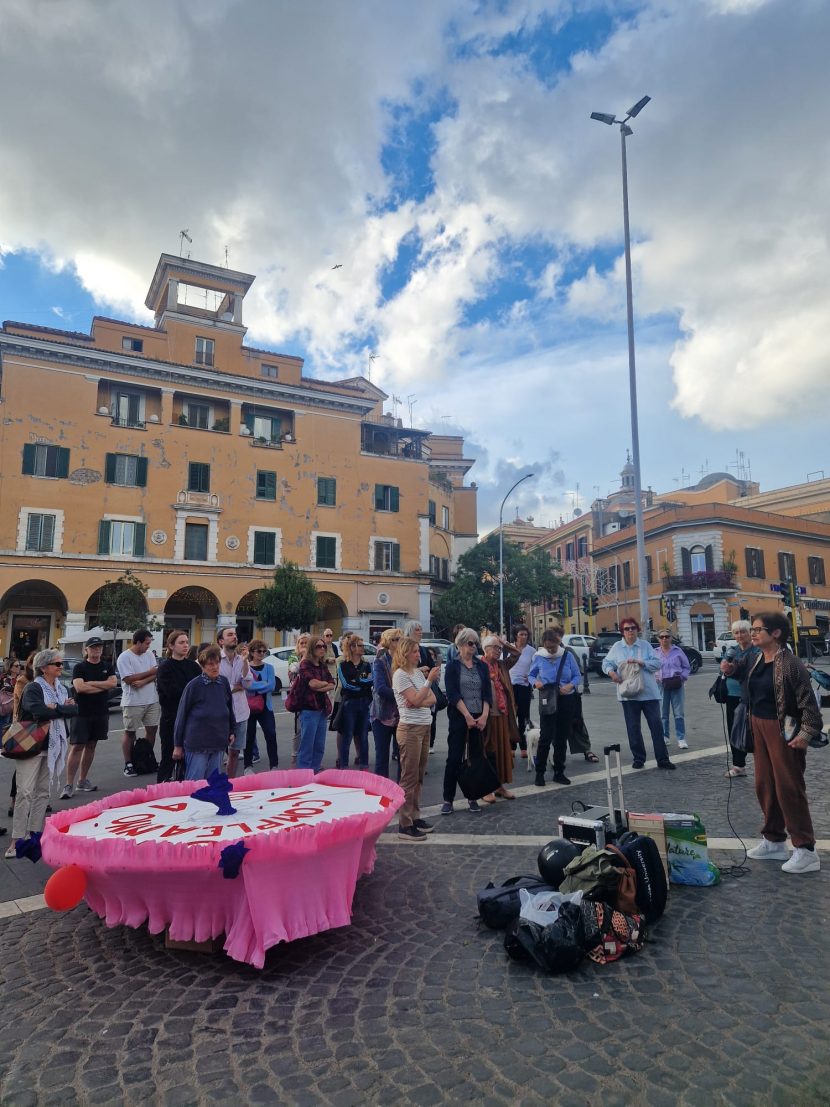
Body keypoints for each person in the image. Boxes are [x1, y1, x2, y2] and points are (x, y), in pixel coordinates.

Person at [721, 612, 822, 874]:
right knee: (764, 784)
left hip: (785, 726)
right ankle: (774, 839)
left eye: (757, 629)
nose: (752, 633)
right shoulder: (755, 657)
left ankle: (805, 849)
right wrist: (731, 668)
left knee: (789, 786)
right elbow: (740, 672)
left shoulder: (791, 664)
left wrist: (804, 735)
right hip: (758, 724)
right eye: (752, 629)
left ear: (776, 633)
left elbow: (809, 706)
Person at [6, 648, 77, 858]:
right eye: (57, 664)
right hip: (31, 745)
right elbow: (38, 711)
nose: (61, 667)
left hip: (52, 746)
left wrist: (57, 708)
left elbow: (75, 709)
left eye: (61, 664)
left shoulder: (63, 689)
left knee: (43, 793)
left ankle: (35, 835)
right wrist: (61, 709)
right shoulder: (33, 687)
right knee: (25, 792)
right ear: (44, 667)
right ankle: (17, 840)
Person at [602, 619, 675, 770]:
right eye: (627, 629)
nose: (630, 631)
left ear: (637, 630)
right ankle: (639, 758)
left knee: (656, 726)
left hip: (649, 693)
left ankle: (662, 759)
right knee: (633, 727)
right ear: (622, 631)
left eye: (633, 628)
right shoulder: (617, 647)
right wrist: (611, 673)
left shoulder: (645, 646)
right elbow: (606, 663)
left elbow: (657, 663)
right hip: (628, 695)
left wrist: (642, 663)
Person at [392, 636, 439, 840]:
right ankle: (404, 823)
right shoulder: (400, 675)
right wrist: (427, 684)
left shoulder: (417, 674)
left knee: (419, 775)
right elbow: (418, 698)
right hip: (410, 728)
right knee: (409, 777)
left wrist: (420, 697)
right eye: (414, 651)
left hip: (424, 725)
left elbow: (432, 698)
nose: (418, 655)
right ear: (405, 654)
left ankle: (415, 815)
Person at [442, 627, 491, 816]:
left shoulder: (481, 666)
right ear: (460, 644)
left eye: (475, 644)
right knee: (454, 757)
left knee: (476, 758)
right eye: (470, 643)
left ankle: (472, 796)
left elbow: (487, 692)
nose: (473, 647)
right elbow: (453, 693)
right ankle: (448, 798)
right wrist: (467, 716)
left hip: (479, 715)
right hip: (460, 716)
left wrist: (484, 715)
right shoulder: (453, 666)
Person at [61, 636, 117, 798]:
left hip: (100, 712)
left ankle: (82, 780)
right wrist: (101, 686)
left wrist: (90, 684)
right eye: (93, 647)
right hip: (82, 712)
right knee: (77, 746)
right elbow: (79, 688)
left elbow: (113, 684)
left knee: (91, 745)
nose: (97, 649)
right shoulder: (80, 667)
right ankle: (68, 784)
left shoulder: (108, 666)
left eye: (99, 646)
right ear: (86, 650)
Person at [528, 626, 583, 786]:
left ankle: (559, 771)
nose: (551, 650)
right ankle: (540, 773)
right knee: (545, 737)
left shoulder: (567, 656)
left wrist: (570, 686)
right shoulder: (538, 657)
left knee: (561, 737)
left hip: (566, 699)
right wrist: (535, 683)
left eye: (553, 647)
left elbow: (577, 675)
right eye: (548, 647)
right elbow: (531, 675)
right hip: (548, 697)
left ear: (558, 643)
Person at [172, 645, 236, 781]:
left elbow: (229, 709)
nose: (215, 667)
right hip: (197, 744)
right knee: (195, 784)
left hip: (218, 741)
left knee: (213, 783)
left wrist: (232, 730)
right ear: (202, 666)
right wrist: (178, 745)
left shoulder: (223, 682)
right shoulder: (194, 686)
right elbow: (181, 715)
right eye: (210, 664)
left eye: (217, 663)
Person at [156, 630, 201, 783]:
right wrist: (189, 692)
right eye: (181, 642)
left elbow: (200, 688)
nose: (185, 645)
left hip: (192, 720)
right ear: (171, 645)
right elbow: (170, 692)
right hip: (171, 719)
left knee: (189, 760)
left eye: (187, 642)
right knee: (169, 757)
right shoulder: (165, 667)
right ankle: (161, 789)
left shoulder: (194, 667)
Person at [479, 636, 518, 802]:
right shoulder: (479, 665)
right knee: (488, 751)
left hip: (502, 714)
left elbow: (516, 654)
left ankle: (499, 786)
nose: (498, 651)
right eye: (494, 647)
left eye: (499, 649)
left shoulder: (502, 665)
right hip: (485, 716)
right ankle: (486, 788)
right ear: (485, 649)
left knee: (502, 752)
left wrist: (503, 643)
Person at [116, 628, 160, 777]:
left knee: (152, 729)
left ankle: (146, 757)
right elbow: (128, 679)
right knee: (130, 732)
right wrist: (149, 673)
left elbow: (156, 673)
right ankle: (128, 763)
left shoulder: (149, 655)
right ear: (139, 642)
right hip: (133, 701)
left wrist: (143, 681)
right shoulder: (124, 657)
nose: (148, 646)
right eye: (147, 643)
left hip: (151, 699)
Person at [294, 637, 335, 772]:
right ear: (312, 648)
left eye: (323, 646)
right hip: (309, 709)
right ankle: (303, 774)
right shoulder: (305, 664)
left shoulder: (323, 666)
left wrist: (320, 686)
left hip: (322, 709)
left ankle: (315, 770)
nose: (322, 648)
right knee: (307, 745)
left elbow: (332, 684)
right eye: (319, 646)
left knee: (319, 745)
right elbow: (312, 684)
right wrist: (323, 684)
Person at [217, 626, 253, 778]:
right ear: (221, 641)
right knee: (217, 751)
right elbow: (216, 686)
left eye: (235, 634)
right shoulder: (215, 659)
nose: (234, 637)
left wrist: (245, 662)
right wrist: (234, 687)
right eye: (230, 634)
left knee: (235, 751)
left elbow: (247, 684)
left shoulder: (241, 660)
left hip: (240, 712)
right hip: (220, 713)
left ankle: (230, 783)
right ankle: (214, 781)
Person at [723, 619, 757, 777]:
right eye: (736, 632)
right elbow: (723, 670)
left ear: (750, 633)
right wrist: (724, 668)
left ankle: (762, 762)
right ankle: (739, 765)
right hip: (732, 695)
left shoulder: (757, 650)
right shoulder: (732, 651)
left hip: (753, 696)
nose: (740, 635)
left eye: (743, 631)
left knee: (755, 730)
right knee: (734, 729)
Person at [337, 636, 373, 771]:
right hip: (350, 703)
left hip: (364, 703)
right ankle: (344, 766)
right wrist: (362, 683)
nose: (363, 648)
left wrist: (357, 681)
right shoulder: (343, 665)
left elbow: (372, 681)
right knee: (347, 735)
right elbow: (346, 684)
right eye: (360, 645)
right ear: (352, 647)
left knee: (363, 735)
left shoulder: (367, 664)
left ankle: (364, 766)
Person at [243, 640, 278, 773]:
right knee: (249, 737)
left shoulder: (269, 667)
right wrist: (262, 685)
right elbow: (247, 685)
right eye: (259, 651)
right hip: (250, 707)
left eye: (264, 651)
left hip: (266, 707)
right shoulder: (246, 666)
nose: (262, 653)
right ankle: (248, 766)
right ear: (252, 652)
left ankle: (274, 766)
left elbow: (272, 686)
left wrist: (255, 688)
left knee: (271, 734)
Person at [370, 627, 401, 778]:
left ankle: (402, 793)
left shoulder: (405, 661)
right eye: (396, 639)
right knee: (382, 758)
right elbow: (380, 688)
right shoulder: (380, 662)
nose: (399, 642)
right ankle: (382, 793)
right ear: (389, 642)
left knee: (403, 757)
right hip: (382, 715)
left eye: (401, 639)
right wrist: (403, 695)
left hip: (401, 716)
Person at [656, 630, 691, 750]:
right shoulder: (655, 652)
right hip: (661, 685)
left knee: (679, 713)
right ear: (658, 639)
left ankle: (681, 738)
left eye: (667, 636)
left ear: (671, 638)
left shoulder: (678, 651)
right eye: (662, 637)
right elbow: (651, 667)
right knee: (663, 713)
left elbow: (686, 666)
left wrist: (682, 677)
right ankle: (665, 737)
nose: (664, 639)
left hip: (676, 684)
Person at [509, 626, 535, 757]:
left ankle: (524, 747)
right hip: (510, 687)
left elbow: (536, 668)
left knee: (524, 717)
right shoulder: (509, 648)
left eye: (526, 634)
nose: (524, 637)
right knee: (511, 717)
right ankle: (511, 746)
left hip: (524, 687)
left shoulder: (532, 651)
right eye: (521, 634)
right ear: (516, 635)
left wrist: (530, 677)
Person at [287, 632, 310, 765]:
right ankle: (295, 757)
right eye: (302, 643)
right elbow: (294, 669)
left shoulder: (314, 658)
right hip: (298, 697)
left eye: (307, 643)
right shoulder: (293, 657)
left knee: (310, 730)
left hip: (312, 697)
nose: (304, 645)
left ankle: (309, 758)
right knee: (299, 729)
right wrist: (304, 657)